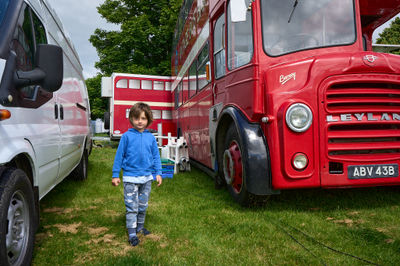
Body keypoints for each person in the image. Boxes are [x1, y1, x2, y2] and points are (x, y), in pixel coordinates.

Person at [111, 102, 162, 246]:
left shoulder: (151, 138)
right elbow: (119, 156)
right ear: (131, 119)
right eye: (137, 118)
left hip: (146, 178)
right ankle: (132, 233)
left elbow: (156, 156)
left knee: (143, 205)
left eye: (143, 118)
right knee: (132, 206)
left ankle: (140, 227)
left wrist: (158, 173)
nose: (140, 121)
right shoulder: (126, 137)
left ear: (148, 120)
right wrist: (116, 175)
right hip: (130, 178)